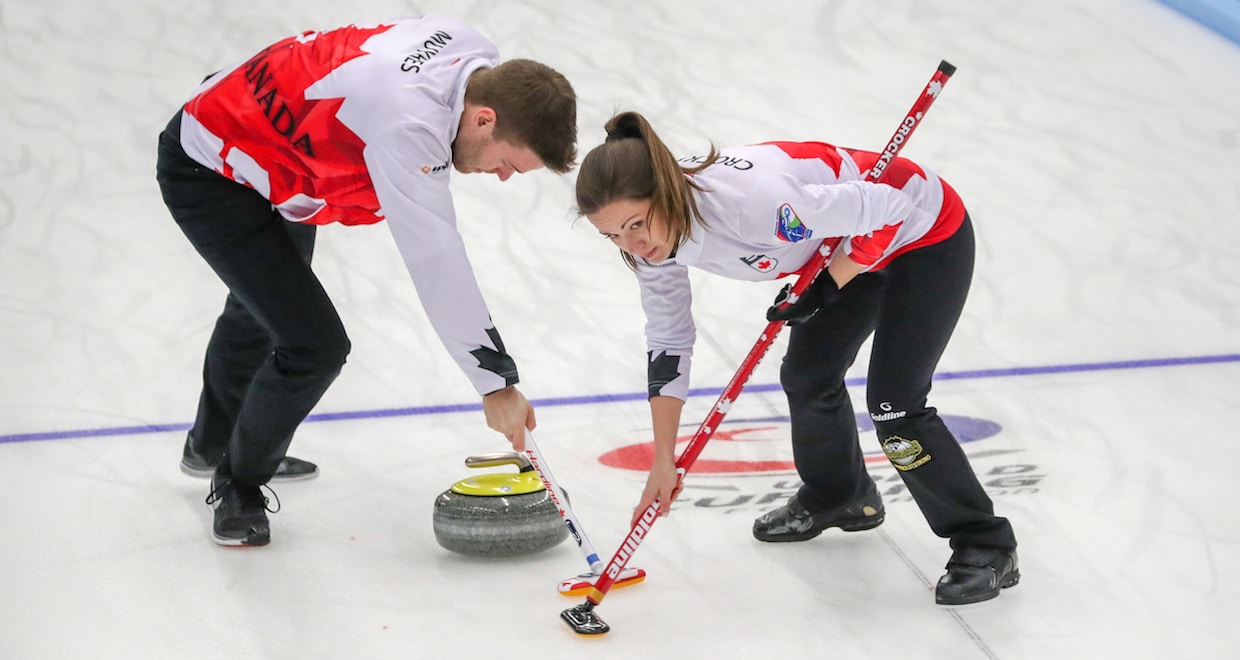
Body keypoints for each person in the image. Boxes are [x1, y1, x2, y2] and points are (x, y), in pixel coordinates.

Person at [155, 15, 577, 547]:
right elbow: (436, 259)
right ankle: (237, 482)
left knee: (261, 306)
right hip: (212, 168)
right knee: (314, 346)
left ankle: (216, 443)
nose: (502, 177)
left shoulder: (472, 54)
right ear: (485, 119)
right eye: (509, 163)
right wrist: (496, 383)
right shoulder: (409, 126)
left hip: (261, 132)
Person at [573, 111, 1018, 605]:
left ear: (667, 191)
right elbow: (669, 339)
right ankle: (841, 494)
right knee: (809, 375)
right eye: (612, 236)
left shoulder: (755, 206)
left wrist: (831, 282)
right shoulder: (648, 246)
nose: (634, 246)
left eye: (637, 224)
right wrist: (663, 459)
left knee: (895, 406)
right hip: (850, 244)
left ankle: (986, 541)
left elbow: (894, 209)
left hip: (923, 232)